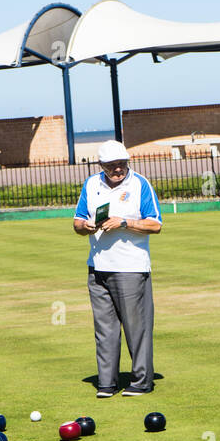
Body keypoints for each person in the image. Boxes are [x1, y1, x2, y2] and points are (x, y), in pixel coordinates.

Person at [72, 140, 163, 398]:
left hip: (131, 267)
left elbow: (155, 224)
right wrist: (84, 227)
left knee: (137, 327)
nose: (118, 170)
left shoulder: (139, 184)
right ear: (101, 165)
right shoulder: (91, 184)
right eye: (112, 166)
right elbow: (77, 221)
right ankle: (107, 383)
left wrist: (124, 222)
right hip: (97, 266)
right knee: (104, 329)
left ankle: (141, 381)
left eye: (122, 164)